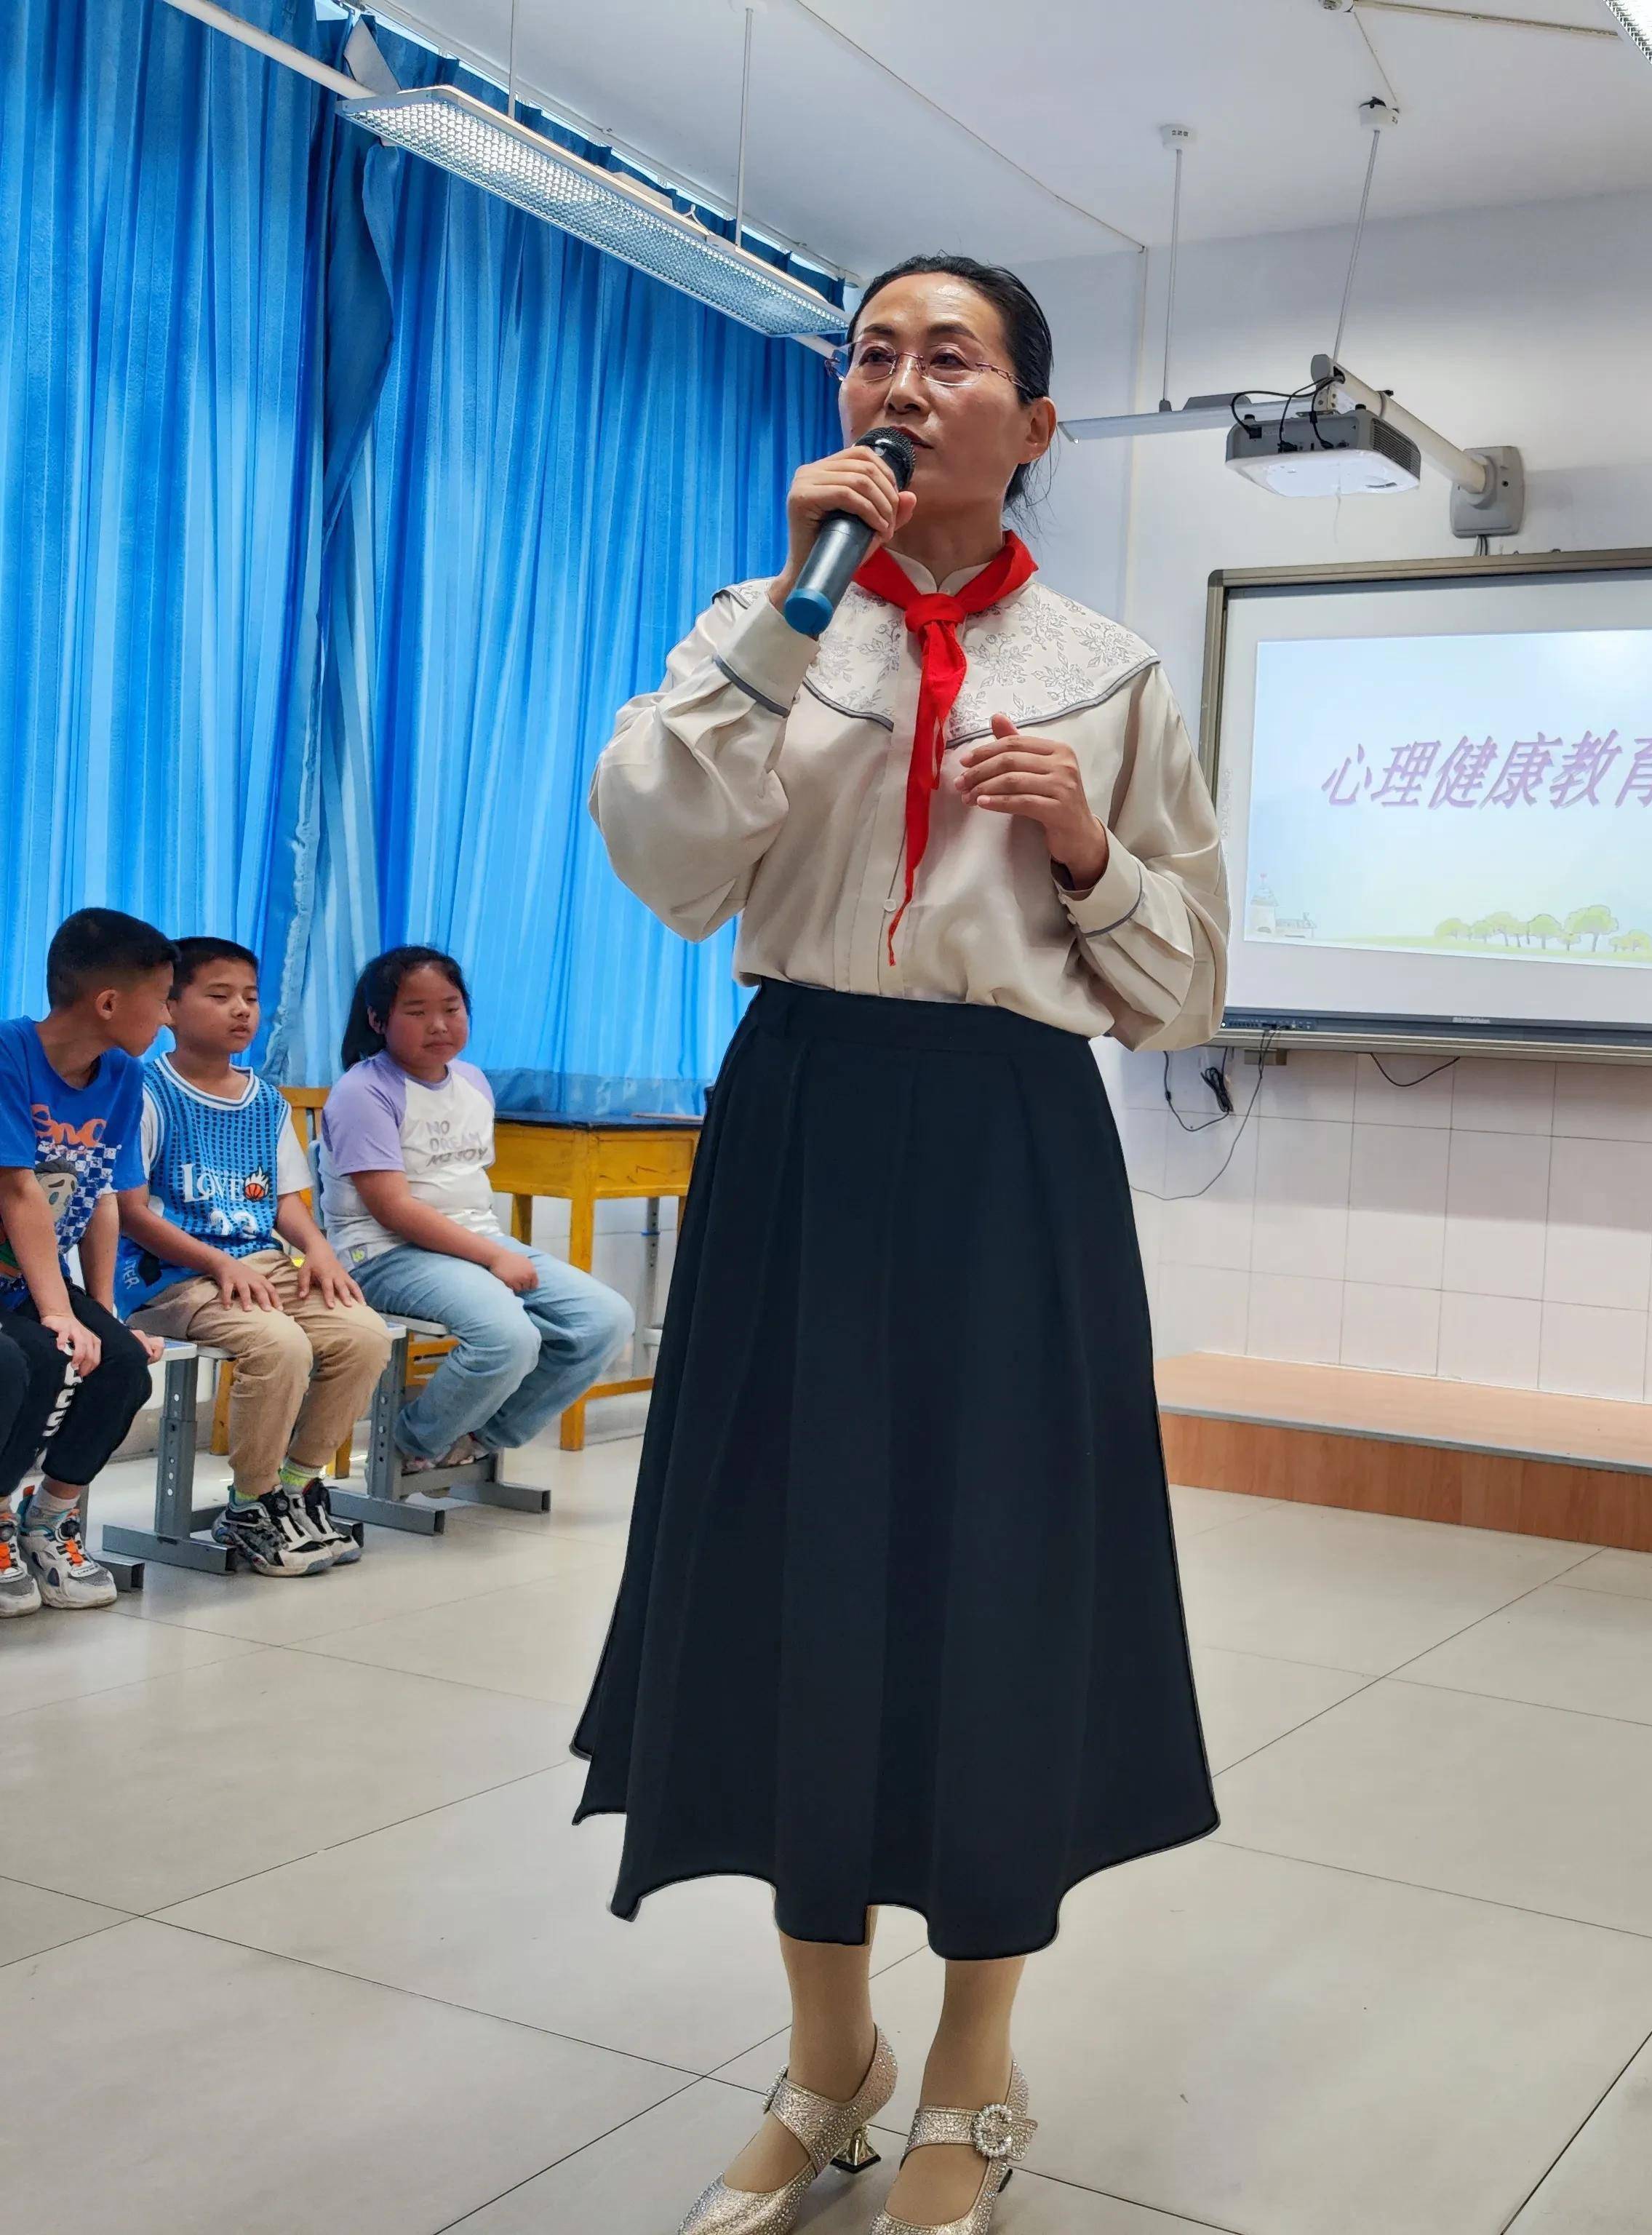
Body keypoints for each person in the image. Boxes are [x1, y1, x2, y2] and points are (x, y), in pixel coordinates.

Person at [579, 254, 1226, 2235]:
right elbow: (662, 858)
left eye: (953, 358)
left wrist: (1089, 850)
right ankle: (826, 2058)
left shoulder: (1110, 674)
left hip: (1010, 1151)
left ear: (1032, 427)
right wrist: (791, 611)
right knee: (793, 1576)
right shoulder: (762, 630)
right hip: (798, 1127)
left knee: (994, 1588)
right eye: (874, 351)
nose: (902, 381)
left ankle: (968, 2072)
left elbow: (1185, 987)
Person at [116, 936, 390, 1578]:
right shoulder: (146, 1090)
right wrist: (219, 1264)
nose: (242, 1009)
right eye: (219, 996)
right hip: (176, 1279)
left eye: (250, 997)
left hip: (261, 1268)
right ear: (170, 1008)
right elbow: (131, 1212)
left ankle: (294, 1487)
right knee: (281, 1347)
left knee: (364, 1335)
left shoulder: (265, 1100)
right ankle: (248, 1501)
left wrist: (318, 1250)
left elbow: (285, 1200)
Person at [314, 947, 635, 1476]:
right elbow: (392, 1209)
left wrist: (491, 1253)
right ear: (378, 1020)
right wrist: (492, 1258)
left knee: (604, 1319)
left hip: (470, 1243)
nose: (438, 1025)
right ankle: (410, 1443)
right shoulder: (362, 1091)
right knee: (508, 1337)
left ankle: (481, 1436)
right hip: (384, 1254)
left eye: (452, 1007)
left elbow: (463, 1188)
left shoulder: (473, 1082)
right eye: (416, 1012)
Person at [0, 909, 169, 1619]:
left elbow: (100, 1197)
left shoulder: (125, 1077)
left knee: (122, 1365)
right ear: (108, 1004)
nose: (166, 1018)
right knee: (29, 1364)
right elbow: (16, 1190)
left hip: (28, 1281)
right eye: (162, 1000)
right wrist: (59, 1314)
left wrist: (103, 1312)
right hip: (24, 1281)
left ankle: (47, 1521)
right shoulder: (10, 1054)